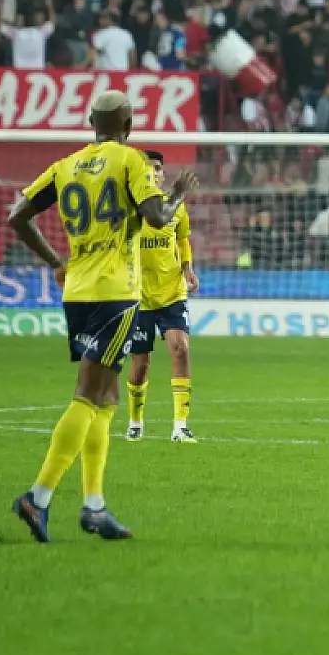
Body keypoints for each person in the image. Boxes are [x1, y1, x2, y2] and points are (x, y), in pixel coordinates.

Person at [7, 90, 197, 543]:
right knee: (89, 396)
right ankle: (39, 495)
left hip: (78, 291)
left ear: (91, 120)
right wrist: (177, 193)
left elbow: (17, 216)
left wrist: (56, 261)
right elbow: (157, 218)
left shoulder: (66, 165)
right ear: (128, 124)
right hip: (115, 293)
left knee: (108, 399)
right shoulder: (130, 160)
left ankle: (94, 506)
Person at [126, 150, 199, 444]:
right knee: (141, 364)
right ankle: (135, 421)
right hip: (139, 296)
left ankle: (180, 426)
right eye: (148, 168)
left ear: (163, 174)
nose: (154, 172)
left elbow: (182, 239)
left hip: (171, 291)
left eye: (157, 168)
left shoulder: (176, 205)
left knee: (180, 348)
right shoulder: (130, 207)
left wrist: (188, 269)